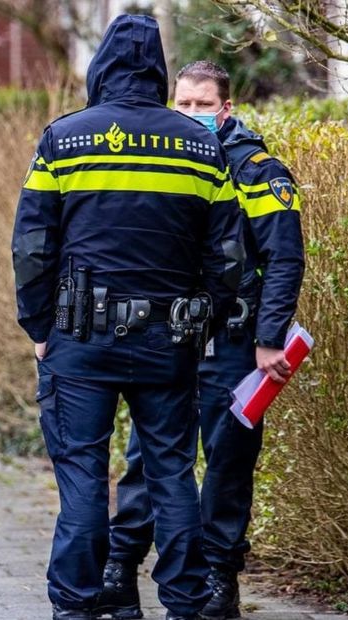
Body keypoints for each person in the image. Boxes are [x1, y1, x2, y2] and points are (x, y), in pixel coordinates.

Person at [12, 16, 245, 620]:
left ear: (102, 67)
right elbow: (228, 257)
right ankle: (187, 604)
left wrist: (38, 326)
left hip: (80, 342)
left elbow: (33, 245)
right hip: (169, 344)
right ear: (160, 71)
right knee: (172, 475)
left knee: (83, 477)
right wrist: (204, 324)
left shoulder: (64, 138)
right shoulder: (203, 147)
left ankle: (77, 606)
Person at [99, 61, 305, 620]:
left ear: (226, 110)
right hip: (170, 335)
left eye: (202, 105)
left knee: (228, 462)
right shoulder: (165, 158)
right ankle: (121, 566)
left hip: (237, 340)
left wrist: (270, 340)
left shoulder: (258, 170)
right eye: (182, 104)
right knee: (148, 455)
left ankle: (218, 577)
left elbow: (284, 258)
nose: (191, 114)